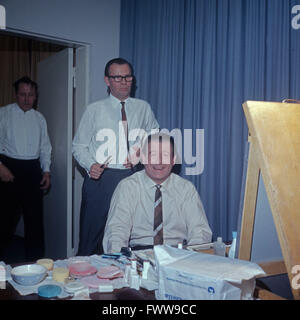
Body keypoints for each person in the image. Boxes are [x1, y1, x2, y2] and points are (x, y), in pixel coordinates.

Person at [72, 58, 159, 255]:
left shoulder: (143, 107)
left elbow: (154, 134)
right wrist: (90, 165)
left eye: (128, 76)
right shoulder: (94, 110)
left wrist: (140, 151)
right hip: (101, 179)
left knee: (131, 236)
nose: (124, 81)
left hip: (133, 176)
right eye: (117, 77)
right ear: (107, 80)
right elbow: (78, 146)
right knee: (90, 239)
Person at [103, 132, 212, 253]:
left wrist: (190, 259)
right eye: (153, 155)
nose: (159, 161)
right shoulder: (127, 187)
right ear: (143, 158)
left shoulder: (186, 189)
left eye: (165, 155)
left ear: (173, 160)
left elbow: (200, 232)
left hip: (178, 253)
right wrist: (120, 261)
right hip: (138, 254)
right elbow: (116, 232)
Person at [0, 76, 52, 261]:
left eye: (31, 95)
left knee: (35, 223)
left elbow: (45, 146)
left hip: (32, 170)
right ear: (16, 94)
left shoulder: (40, 118)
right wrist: (1, 167)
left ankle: (37, 264)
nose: (27, 98)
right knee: (4, 221)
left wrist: (46, 170)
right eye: (23, 94)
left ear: (35, 96)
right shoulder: (3, 113)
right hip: (9, 169)